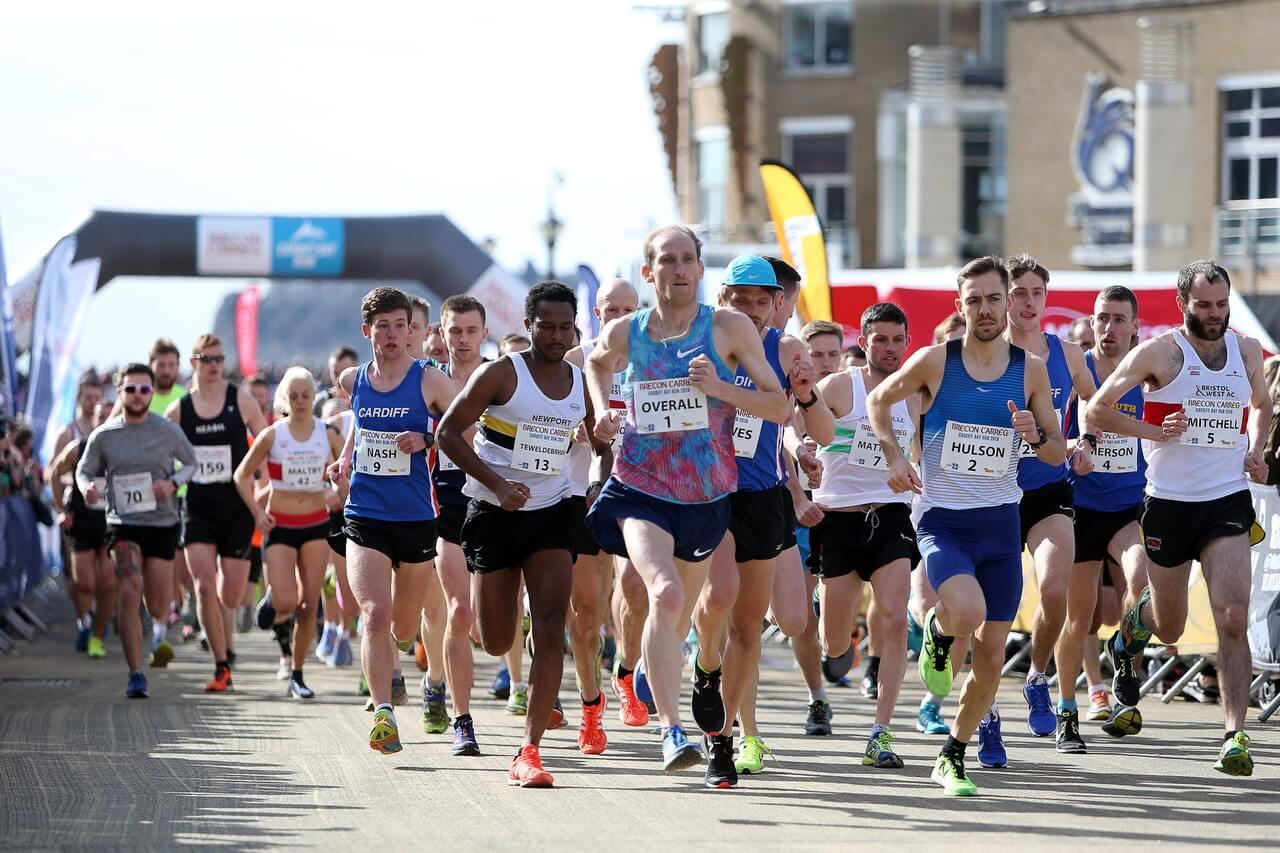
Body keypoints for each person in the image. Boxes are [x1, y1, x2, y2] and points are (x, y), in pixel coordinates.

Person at [585, 229, 789, 777]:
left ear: (700, 271)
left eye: (687, 260)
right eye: (665, 261)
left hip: (705, 496)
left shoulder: (727, 328)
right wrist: (604, 410)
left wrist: (721, 389)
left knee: (707, 608)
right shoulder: (627, 330)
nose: (677, 270)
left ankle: (701, 679)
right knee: (666, 592)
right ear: (649, 272)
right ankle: (671, 731)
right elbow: (596, 361)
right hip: (639, 487)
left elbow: (778, 407)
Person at [867, 256, 1067, 796]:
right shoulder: (936, 360)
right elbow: (878, 400)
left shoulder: (1030, 369)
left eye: (992, 299)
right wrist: (892, 456)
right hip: (943, 522)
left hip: (1001, 525)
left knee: (991, 659)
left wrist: (1033, 434)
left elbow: (1055, 454)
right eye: (973, 300)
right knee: (968, 611)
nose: (984, 309)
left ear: (1008, 303)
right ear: (961, 306)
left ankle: (952, 752)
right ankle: (937, 630)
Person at [1086, 260, 1270, 776]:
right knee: (1167, 627)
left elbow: (1262, 404)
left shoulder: (1247, 349)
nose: (1214, 315)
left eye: (1221, 303)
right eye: (1203, 305)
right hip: (1168, 504)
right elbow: (1095, 411)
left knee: (1232, 617)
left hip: (1227, 501)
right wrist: (1153, 434)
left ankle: (1235, 734)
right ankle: (1128, 639)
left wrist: (1255, 449)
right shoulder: (1160, 354)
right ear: (1182, 304)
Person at [438, 280, 611, 787]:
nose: (557, 335)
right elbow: (448, 433)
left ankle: (530, 750)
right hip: (493, 511)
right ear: (528, 325)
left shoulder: (581, 383)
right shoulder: (501, 373)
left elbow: (600, 444)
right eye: (547, 325)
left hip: (555, 511)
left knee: (554, 627)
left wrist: (597, 481)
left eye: (565, 327)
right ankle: (520, 636)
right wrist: (496, 482)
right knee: (493, 639)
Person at [691, 257, 831, 788]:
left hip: (763, 497)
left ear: (777, 302)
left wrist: (808, 404)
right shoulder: (695, 342)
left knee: (749, 630)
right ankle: (705, 666)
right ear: (722, 297)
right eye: (739, 298)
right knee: (718, 598)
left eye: (760, 299)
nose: (749, 309)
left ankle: (722, 739)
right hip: (708, 493)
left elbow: (817, 425)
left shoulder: (788, 351)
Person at [328, 287, 455, 754]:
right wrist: (344, 459)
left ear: (412, 330)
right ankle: (383, 713)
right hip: (365, 513)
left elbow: (469, 422)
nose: (393, 334)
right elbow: (360, 425)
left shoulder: (430, 380)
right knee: (375, 614)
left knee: (402, 627)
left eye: (401, 325)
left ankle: (398, 655)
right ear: (368, 332)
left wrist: (427, 437)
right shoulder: (352, 380)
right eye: (383, 326)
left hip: (417, 518)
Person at [813, 302, 919, 770]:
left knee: (895, 618)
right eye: (881, 339)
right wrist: (802, 457)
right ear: (864, 340)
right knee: (834, 645)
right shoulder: (840, 385)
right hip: (838, 519)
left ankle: (881, 732)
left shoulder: (916, 392)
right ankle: (837, 636)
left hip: (891, 517)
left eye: (898, 339)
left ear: (907, 342)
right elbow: (792, 430)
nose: (890, 349)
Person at [1003, 254, 1097, 742]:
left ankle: (1036, 677)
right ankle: (975, 707)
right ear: (1003, 297)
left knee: (1055, 590)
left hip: (1048, 487)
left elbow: (1095, 403)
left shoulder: (1066, 352)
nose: (1028, 301)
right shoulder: (981, 353)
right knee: (989, 607)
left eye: (1037, 292)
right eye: (1018, 292)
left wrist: (1087, 442)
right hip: (991, 492)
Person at [1053, 286, 1151, 752]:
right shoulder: (1079, 371)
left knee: (1142, 579)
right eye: (1100, 318)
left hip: (1127, 507)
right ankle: (1068, 712)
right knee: (1078, 619)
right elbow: (1056, 427)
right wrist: (1073, 447)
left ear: (1135, 326)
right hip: (1080, 510)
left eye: (1117, 319)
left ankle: (1125, 656)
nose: (1107, 328)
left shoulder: (1148, 375)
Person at [76, 364, 197, 698]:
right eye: (131, 389)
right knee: (128, 590)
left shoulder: (167, 430)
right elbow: (84, 471)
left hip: (161, 523)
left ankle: (152, 617)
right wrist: (88, 488)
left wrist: (170, 484)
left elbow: (191, 462)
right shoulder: (105, 434)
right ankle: (136, 673)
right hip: (122, 522)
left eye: (145, 390)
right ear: (120, 393)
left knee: (158, 605)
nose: (139, 395)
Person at [565, 278, 642, 751]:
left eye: (627, 308)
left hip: (639, 493)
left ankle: (627, 672)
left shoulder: (655, 357)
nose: (618, 316)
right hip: (582, 493)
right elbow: (547, 420)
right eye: (610, 308)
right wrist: (577, 432)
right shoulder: (577, 362)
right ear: (596, 313)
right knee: (586, 612)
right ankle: (590, 710)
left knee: (636, 589)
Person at [234, 367, 344, 699]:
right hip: (280, 524)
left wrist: (339, 494)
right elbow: (241, 476)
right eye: (293, 396)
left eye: (305, 396)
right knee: (286, 600)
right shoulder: (273, 434)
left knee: (309, 604)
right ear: (285, 398)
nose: (299, 401)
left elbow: (348, 472)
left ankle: (297, 673)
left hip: (315, 525)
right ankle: (273, 600)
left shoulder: (328, 434)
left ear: (313, 397)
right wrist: (257, 513)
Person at [167, 335, 268, 692]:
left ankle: (226, 644)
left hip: (237, 507)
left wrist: (264, 485)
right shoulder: (180, 409)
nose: (213, 365)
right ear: (193, 362)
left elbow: (265, 442)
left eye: (218, 359)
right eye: (206, 359)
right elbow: (159, 451)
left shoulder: (239, 398)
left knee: (232, 594)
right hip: (198, 506)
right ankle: (221, 665)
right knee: (204, 586)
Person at [422, 293, 490, 755]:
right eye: (454, 332)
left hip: (499, 499)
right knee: (458, 612)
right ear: (441, 336)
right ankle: (461, 719)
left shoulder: (505, 378)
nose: (462, 340)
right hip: (447, 499)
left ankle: (433, 676)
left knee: (488, 626)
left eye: (471, 331)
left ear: (484, 333)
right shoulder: (428, 383)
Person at [50, 399, 114, 659]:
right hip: (83, 523)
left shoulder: (122, 451)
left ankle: (98, 635)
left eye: (111, 417)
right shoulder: (79, 448)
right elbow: (54, 473)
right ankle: (86, 624)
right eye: (101, 418)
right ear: (93, 421)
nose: (106, 423)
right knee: (84, 582)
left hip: (111, 523)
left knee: (109, 583)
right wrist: (62, 511)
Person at [315, 346, 358, 415]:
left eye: (345, 372)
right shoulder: (321, 402)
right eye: (335, 373)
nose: (339, 378)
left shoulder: (366, 399)